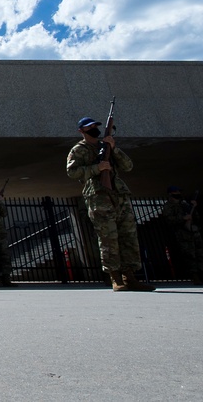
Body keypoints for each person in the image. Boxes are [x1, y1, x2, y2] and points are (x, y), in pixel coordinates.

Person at [66, 116, 155, 291]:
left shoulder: (106, 146)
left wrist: (114, 149)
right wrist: (96, 169)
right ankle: (115, 278)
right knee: (109, 239)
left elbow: (128, 166)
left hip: (119, 195)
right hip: (99, 197)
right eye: (89, 127)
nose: (94, 129)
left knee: (128, 237)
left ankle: (130, 277)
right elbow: (72, 172)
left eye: (95, 126)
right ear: (81, 131)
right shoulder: (79, 150)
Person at [161, 186, 203, 284]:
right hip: (183, 233)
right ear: (170, 194)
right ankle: (195, 276)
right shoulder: (168, 206)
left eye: (179, 191)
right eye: (176, 192)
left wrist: (193, 208)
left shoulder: (185, 203)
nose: (178, 193)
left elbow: (196, 216)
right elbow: (169, 220)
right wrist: (183, 218)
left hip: (194, 231)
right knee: (189, 255)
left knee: (200, 254)